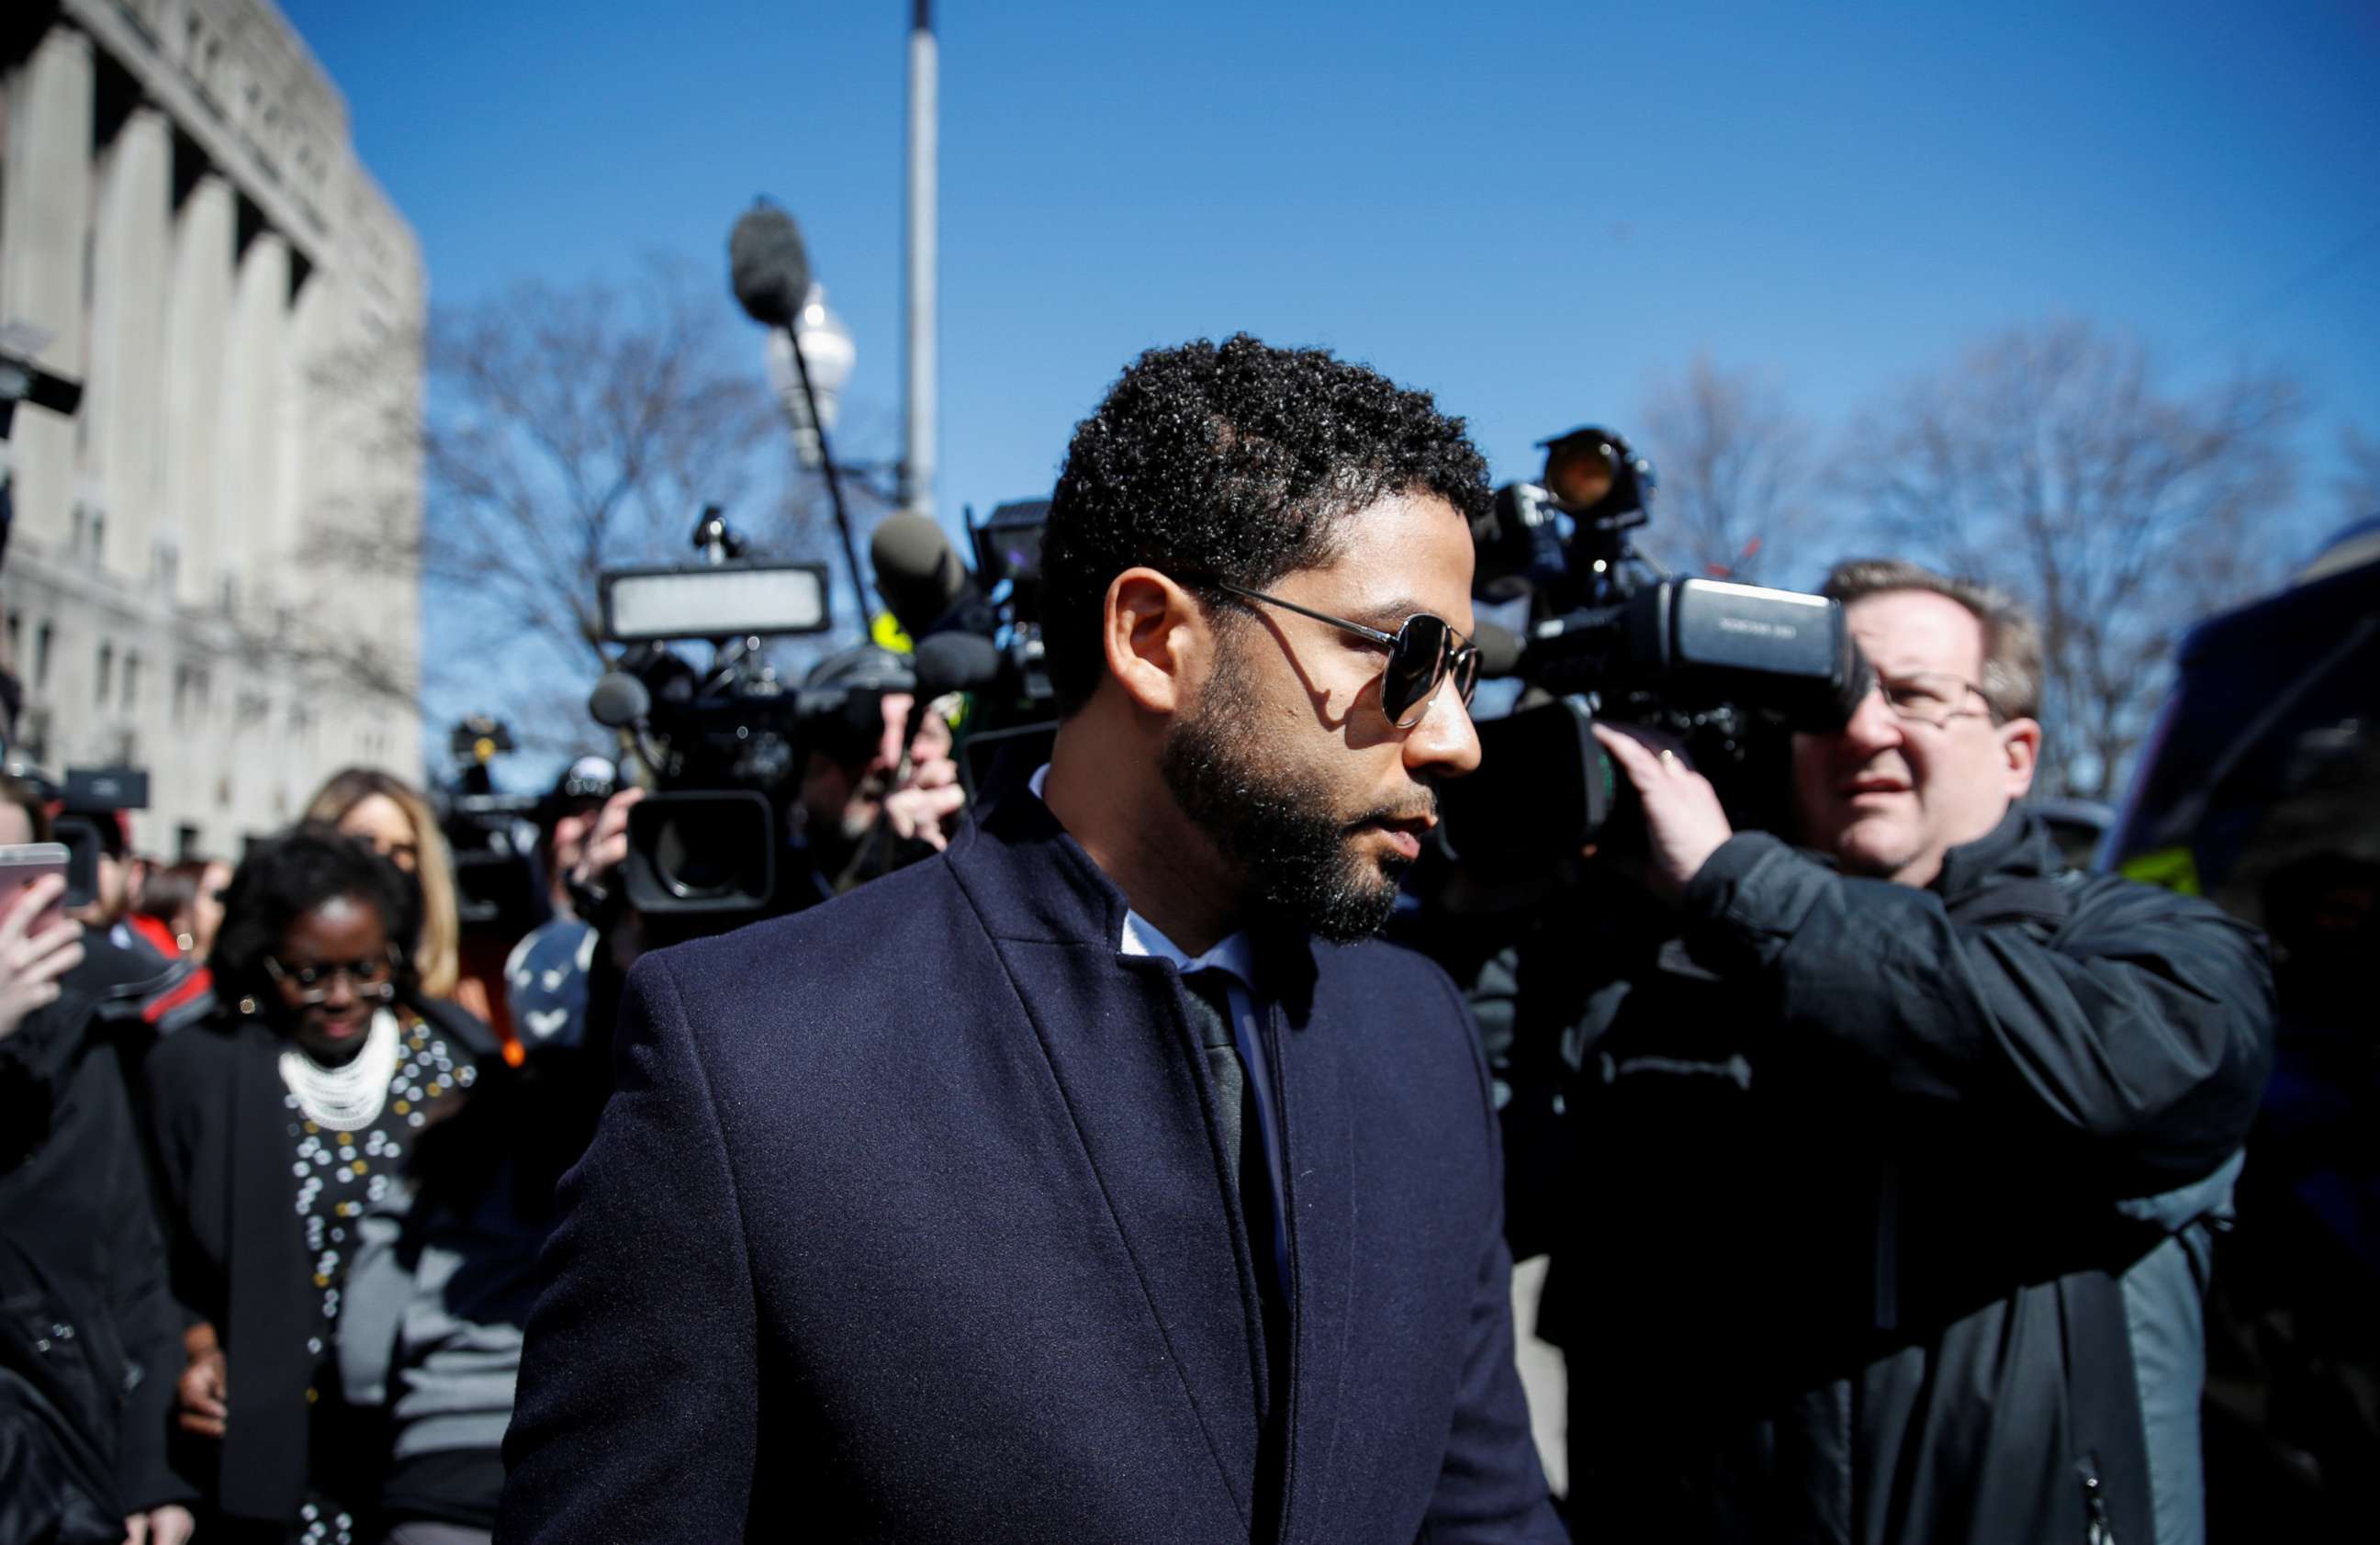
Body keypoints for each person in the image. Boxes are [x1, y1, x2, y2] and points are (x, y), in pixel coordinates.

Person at [497, 335, 1562, 1542]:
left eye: (1465, 667)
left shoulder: (1416, 1036)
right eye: (1408, 656)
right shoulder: (751, 1061)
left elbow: (1488, 1516)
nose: (1458, 737)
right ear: (1156, 636)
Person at [1544, 558, 2274, 1545]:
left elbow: (2122, 1078)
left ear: (2016, 754)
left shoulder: (2151, 945)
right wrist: (1513, 922)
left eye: (1914, 695)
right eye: (1826, 697)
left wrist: (1743, 893)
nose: (1862, 727)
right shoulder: (1672, 967)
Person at [144, 828, 487, 1544]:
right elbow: (151, 1246)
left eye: (366, 969)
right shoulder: (197, 1070)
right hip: (271, 1449)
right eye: (307, 973)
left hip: (422, 1449)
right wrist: (198, 1346)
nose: (340, 996)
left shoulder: (458, 1063)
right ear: (261, 960)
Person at [0, 783, 196, 1545]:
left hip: (62, 1462)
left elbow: (129, 1251)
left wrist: (152, 1463)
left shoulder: (83, 1034)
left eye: (16, 875)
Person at [304, 768, 496, 1030]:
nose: (385, 863)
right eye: (367, 842)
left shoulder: (450, 1022)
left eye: (402, 850)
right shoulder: (266, 1001)